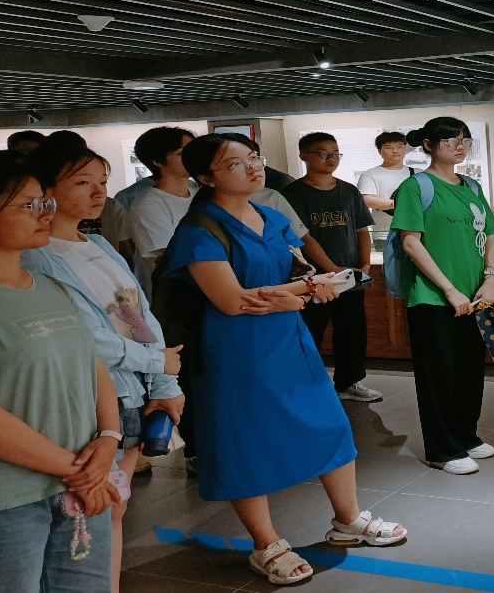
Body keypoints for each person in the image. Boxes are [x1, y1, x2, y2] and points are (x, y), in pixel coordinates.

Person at [162, 134, 405, 585]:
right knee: (245, 440)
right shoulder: (200, 230)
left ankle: (348, 519)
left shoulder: (270, 216)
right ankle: (266, 544)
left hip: (288, 339)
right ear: (206, 178)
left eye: (253, 157)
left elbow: (299, 276)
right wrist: (305, 291)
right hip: (234, 349)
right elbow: (232, 301)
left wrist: (300, 293)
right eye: (236, 163)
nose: (253, 167)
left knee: (330, 424)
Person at [0, 151, 123, 592]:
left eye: (45, 202)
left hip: (78, 488)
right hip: (1, 500)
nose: (45, 214)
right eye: (28, 205)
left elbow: (93, 368)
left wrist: (109, 439)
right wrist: (82, 472)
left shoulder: (52, 286)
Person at [21, 136, 184, 593]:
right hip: (88, 397)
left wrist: (164, 384)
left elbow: (140, 314)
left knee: (113, 507)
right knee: (83, 511)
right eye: (83, 182)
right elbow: (80, 336)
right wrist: (158, 362)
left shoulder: (97, 243)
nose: (99, 192)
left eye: (103, 182)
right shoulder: (35, 255)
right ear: (45, 189)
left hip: (129, 393)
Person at [390, 117, 494, 475]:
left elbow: (489, 234)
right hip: (433, 298)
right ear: (428, 145)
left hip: (475, 295)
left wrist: (490, 277)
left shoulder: (472, 186)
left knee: (470, 370)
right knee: (438, 375)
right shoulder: (416, 187)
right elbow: (411, 242)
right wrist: (449, 289)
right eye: (451, 140)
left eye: (465, 139)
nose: (460, 146)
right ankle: (441, 449)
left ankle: (465, 436)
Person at [281, 133, 381, 403]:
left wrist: (364, 264)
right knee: (309, 331)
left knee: (352, 331)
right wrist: (331, 268)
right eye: (323, 153)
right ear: (304, 156)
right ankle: (305, 385)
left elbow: (362, 229)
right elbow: (303, 237)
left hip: (349, 276)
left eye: (335, 153)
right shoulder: (292, 194)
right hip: (311, 279)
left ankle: (349, 382)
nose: (331, 158)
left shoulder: (348, 190)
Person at [126, 127, 197, 294]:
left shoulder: (199, 191)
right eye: (183, 152)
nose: (193, 156)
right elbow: (173, 257)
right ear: (157, 161)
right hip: (178, 295)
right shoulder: (148, 205)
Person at [358, 131, 413, 249]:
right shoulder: (370, 174)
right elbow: (367, 200)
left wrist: (386, 204)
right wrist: (404, 204)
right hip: (384, 234)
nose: (395, 151)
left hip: (414, 231)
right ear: (380, 151)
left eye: (400, 146)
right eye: (389, 147)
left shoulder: (417, 173)